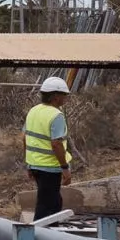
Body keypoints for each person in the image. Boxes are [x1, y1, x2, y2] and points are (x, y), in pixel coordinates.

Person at [25, 76, 73, 219]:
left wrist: (29, 164)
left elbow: (24, 138)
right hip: (49, 167)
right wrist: (64, 167)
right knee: (46, 207)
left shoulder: (33, 111)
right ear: (56, 97)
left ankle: (51, 233)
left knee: (55, 202)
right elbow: (56, 144)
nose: (66, 98)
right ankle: (38, 236)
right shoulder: (56, 115)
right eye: (64, 95)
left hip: (35, 164)